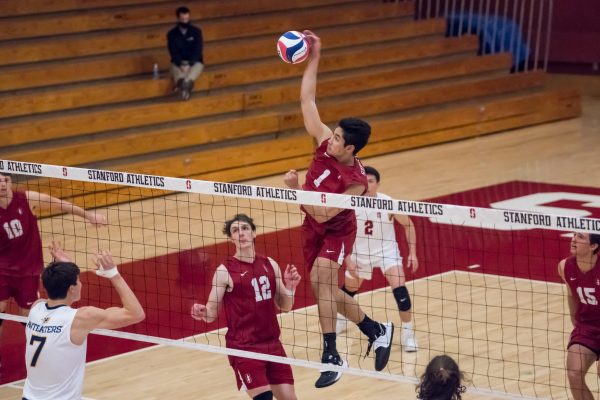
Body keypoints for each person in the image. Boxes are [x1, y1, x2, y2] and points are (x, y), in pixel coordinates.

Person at [283, 30, 393, 388]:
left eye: (338, 139)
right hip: (311, 227)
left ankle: (331, 354)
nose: (331, 139)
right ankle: (375, 329)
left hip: (335, 229)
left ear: (352, 149)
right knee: (325, 291)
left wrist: (294, 190)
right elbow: (307, 101)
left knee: (321, 283)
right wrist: (315, 56)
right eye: (333, 134)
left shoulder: (356, 181)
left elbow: (322, 214)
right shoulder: (324, 144)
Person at [191, 214, 301, 400]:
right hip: (244, 348)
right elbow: (211, 314)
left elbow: (285, 305)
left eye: (245, 229)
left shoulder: (269, 264)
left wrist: (290, 289)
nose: (241, 233)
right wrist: (202, 312)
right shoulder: (224, 271)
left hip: (273, 344)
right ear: (231, 238)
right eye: (235, 230)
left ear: (254, 233)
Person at [0, 173, 106, 362]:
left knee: (29, 318)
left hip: (27, 271)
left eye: (5, 180)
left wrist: (89, 215)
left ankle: (39, 354)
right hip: (2, 270)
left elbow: (58, 203)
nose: (2, 185)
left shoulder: (26, 198)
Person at [22, 242, 145, 400]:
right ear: (72, 289)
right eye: (78, 281)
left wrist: (65, 266)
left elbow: (55, 287)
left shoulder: (36, 309)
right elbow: (136, 313)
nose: (81, 283)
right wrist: (113, 274)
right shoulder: (81, 318)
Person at [336, 166, 419, 352]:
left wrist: (412, 252)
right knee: (349, 290)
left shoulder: (388, 203)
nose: (367, 184)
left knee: (401, 292)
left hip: (386, 253)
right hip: (359, 255)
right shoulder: (351, 204)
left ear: (378, 184)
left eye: (371, 181)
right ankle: (341, 319)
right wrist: (348, 258)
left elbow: (409, 225)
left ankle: (408, 335)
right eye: (364, 180)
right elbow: (340, 233)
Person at [558, 231, 600, 400]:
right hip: (587, 327)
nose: (573, 239)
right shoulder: (564, 266)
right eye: (574, 235)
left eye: (580, 237)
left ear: (594, 246)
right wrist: (577, 323)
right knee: (574, 373)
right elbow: (571, 294)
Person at [167, 6, 204, 101]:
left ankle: (183, 88)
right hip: (177, 62)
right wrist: (180, 64)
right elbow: (173, 51)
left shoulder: (196, 32)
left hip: (195, 62)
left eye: (187, 19)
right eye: (183, 19)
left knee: (188, 77)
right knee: (181, 77)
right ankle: (185, 87)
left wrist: (190, 64)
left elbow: (198, 50)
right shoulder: (172, 34)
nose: (185, 21)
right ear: (178, 18)